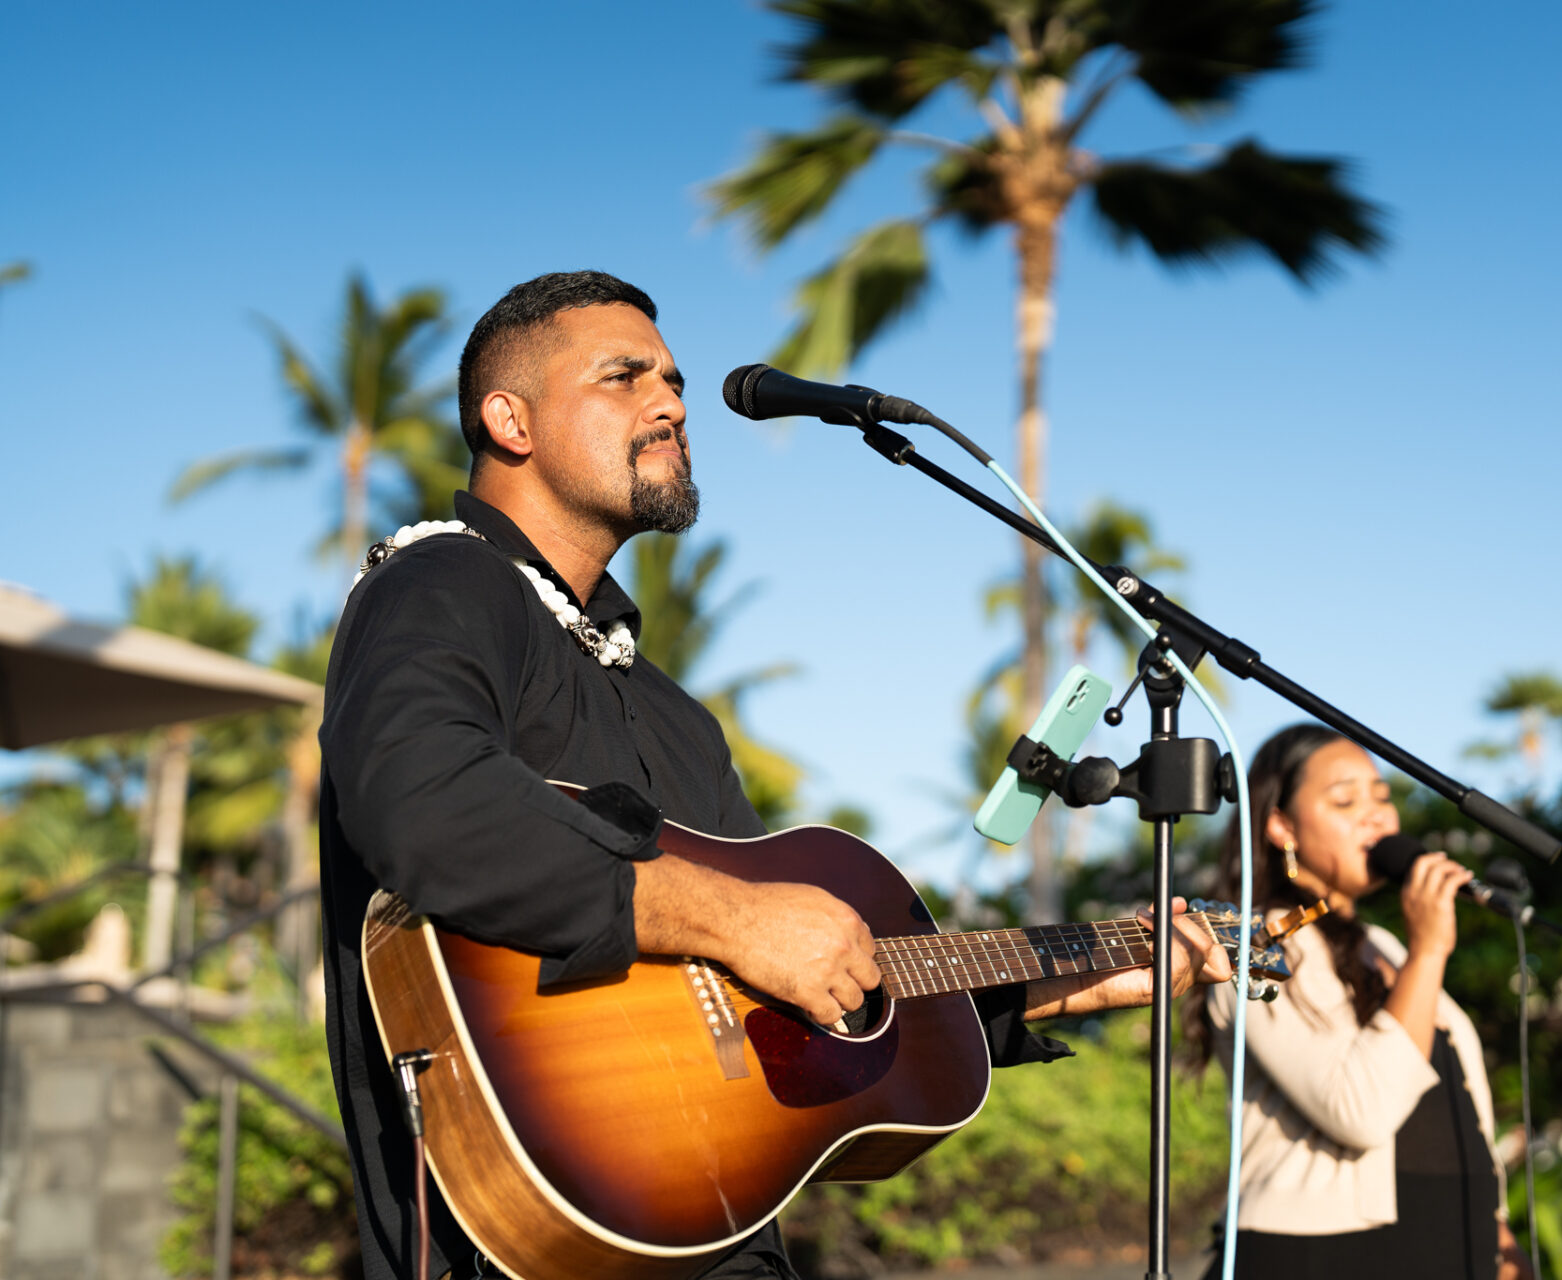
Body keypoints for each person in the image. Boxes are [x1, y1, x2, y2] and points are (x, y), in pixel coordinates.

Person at [318, 269, 1232, 1280]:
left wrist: (1074, 975)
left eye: (672, 377)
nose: (671, 401)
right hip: (523, 1240)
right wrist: (727, 914)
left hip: (718, 1238)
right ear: (510, 419)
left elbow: (797, 994)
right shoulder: (440, 580)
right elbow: (424, 799)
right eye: (625, 376)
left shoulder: (672, 715)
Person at [1186, 723, 1528, 1280]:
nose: (1377, 817)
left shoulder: (1384, 947)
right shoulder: (1253, 945)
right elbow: (1361, 1112)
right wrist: (1430, 951)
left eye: (1382, 798)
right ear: (1280, 825)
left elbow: (1459, 1118)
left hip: (1449, 1245)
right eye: (1345, 800)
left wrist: (1498, 1232)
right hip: (1324, 1255)